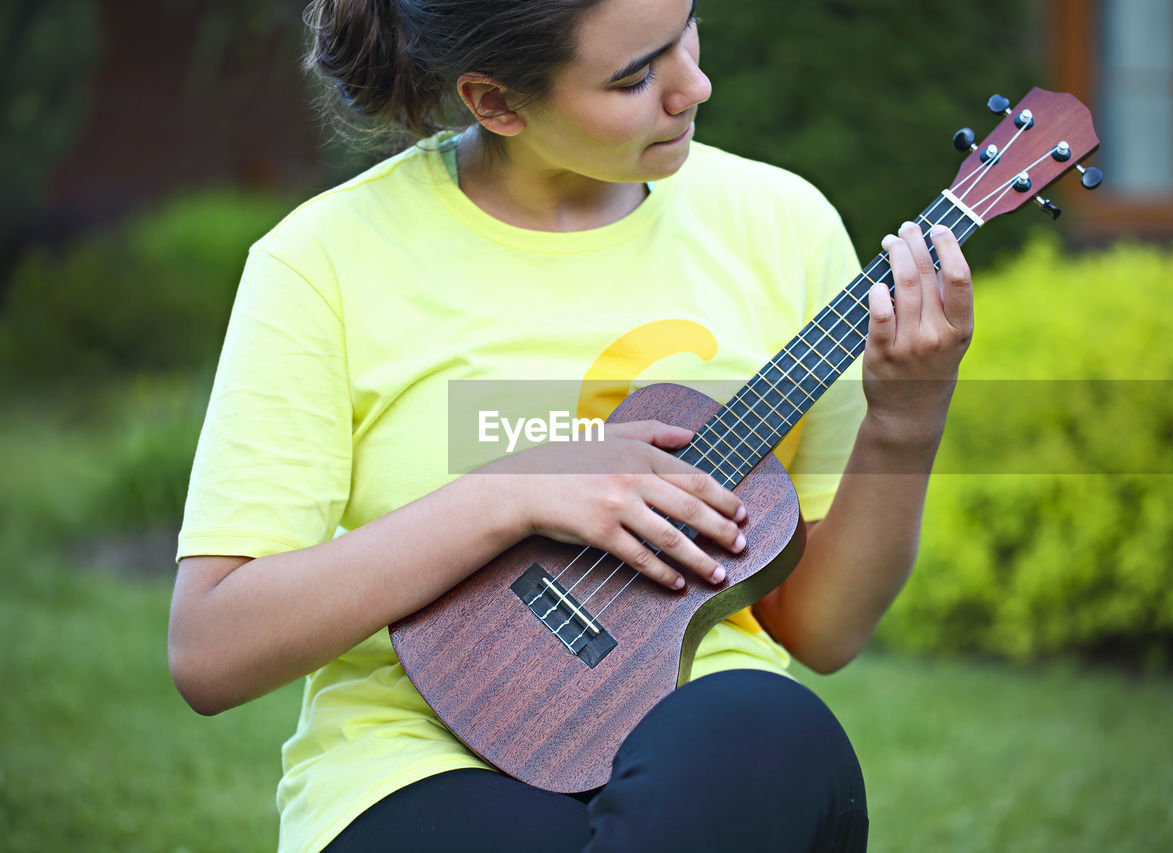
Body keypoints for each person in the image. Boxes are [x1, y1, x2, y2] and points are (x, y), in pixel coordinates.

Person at [167, 0, 974, 850]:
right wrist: (511, 494)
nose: (694, 85)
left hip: (706, 761)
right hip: (416, 762)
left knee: (771, 729)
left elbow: (823, 629)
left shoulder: (782, 225)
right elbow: (212, 648)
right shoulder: (322, 263)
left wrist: (908, 420)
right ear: (496, 103)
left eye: (685, 29)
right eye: (634, 76)